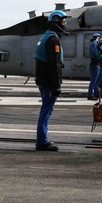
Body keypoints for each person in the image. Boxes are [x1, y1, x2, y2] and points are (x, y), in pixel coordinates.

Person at [34, 10, 67, 151]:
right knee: (46, 111)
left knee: (46, 110)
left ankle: (43, 139)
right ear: (56, 22)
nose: (65, 24)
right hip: (48, 82)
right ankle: (42, 142)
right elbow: (54, 65)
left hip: (43, 80)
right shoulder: (53, 40)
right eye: (63, 21)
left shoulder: (46, 36)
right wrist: (57, 85)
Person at [87, 33, 102, 99]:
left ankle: (91, 94)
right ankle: (90, 95)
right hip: (95, 63)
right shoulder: (94, 44)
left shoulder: (95, 45)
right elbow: (96, 53)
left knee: (94, 80)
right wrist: (101, 46)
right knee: (93, 80)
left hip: (96, 63)